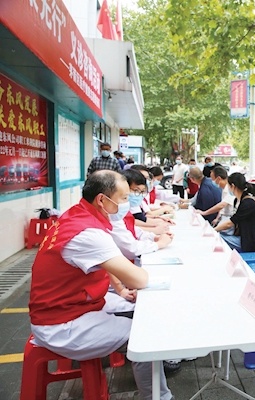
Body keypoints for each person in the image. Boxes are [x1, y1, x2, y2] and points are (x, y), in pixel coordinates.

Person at [28, 170, 173, 399]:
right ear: (102, 200)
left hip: (75, 304)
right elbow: (139, 279)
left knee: (140, 310)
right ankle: (159, 397)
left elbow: (105, 263)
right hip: (62, 323)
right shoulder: (87, 233)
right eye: (124, 198)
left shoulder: (78, 216)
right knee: (146, 335)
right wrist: (129, 282)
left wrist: (121, 289)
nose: (127, 204)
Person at [110, 170, 173, 263]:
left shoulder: (121, 210)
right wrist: (159, 243)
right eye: (125, 197)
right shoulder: (112, 213)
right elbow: (131, 248)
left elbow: (132, 229)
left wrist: (153, 237)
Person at [214, 172, 255, 253]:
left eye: (228, 186)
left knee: (218, 238)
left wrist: (214, 230)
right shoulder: (237, 200)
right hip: (243, 237)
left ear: (233, 186)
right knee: (220, 235)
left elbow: (230, 223)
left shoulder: (248, 203)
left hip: (251, 242)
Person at [197, 166, 236, 235]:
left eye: (212, 179)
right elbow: (222, 208)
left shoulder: (230, 189)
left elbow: (222, 205)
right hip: (223, 218)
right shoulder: (223, 189)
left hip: (229, 221)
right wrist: (217, 218)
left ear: (218, 179)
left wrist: (204, 213)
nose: (211, 182)